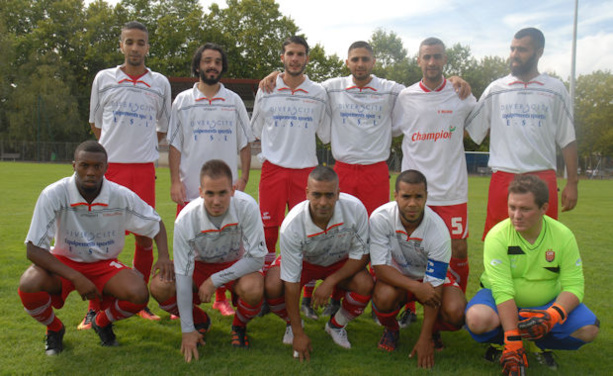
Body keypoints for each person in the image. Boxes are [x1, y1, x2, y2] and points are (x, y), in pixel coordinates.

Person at [259, 40, 471, 320]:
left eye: (365, 59)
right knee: (334, 233)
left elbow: (423, 87)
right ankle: (326, 296)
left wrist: (453, 79)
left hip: (375, 170)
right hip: (343, 169)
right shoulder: (331, 87)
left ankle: (402, 304)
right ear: (347, 62)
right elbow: (299, 78)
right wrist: (276, 74)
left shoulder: (392, 90)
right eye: (355, 59)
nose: (360, 64)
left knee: (381, 237)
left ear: (373, 62)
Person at [17, 141, 173, 355]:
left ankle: (102, 321)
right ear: (74, 165)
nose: (90, 172)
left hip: (104, 264)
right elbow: (33, 250)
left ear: (106, 168)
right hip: (65, 261)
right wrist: (76, 277)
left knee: (139, 294)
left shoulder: (120, 195)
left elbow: (155, 224)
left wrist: (164, 256)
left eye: (97, 166)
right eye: (84, 165)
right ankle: (54, 329)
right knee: (29, 283)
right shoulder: (54, 193)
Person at [465, 175, 598, 374]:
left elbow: (574, 285)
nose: (516, 215)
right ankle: (505, 343)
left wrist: (553, 315)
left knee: (589, 329)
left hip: (546, 303)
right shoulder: (497, 235)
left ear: (544, 208)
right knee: (477, 318)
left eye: (525, 209)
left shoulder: (563, 236)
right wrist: (511, 338)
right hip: (499, 299)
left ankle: (538, 342)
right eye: (512, 207)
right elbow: (502, 290)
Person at [87, 20, 172, 324]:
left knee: (144, 237)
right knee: (101, 238)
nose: (135, 48)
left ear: (148, 47)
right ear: (120, 45)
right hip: (109, 171)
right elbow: (97, 125)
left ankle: (140, 302)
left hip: (143, 170)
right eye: (129, 42)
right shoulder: (104, 79)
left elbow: (162, 128)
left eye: (141, 42)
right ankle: (95, 306)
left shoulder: (160, 83)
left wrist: (142, 149)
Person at [465, 27, 578, 239]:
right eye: (512, 49)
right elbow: (471, 129)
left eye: (522, 50)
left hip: (542, 176)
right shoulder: (496, 88)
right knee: (499, 241)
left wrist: (572, 183)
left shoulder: (555, 89)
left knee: (544, 244)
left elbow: (568, 139)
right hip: (504, 177)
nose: (515, 55)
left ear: (539, 52)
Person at [167, 42, 254, 317]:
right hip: (192, 190)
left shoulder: (234, 101)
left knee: (227, 245)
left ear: (222, 67)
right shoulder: (182, 100)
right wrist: (174, 181)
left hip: (224, 192)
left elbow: (245, 144)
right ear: (198, 65)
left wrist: (243, 177)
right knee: (192, 249)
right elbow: (174, 145)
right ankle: (187, 301)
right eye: (207, 61)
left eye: (217, 61)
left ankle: (220, 297)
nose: (212, 66)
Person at [150, 160, 266, 362]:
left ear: (233, 190)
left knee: (254, 288)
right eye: (210, 193)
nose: (216, 201)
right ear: (200, 192)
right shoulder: (186, 218)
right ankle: (199, 321)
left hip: (234, 264)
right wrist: (186, 330)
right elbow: (184, 275)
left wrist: (215, 280)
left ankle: (239, 326)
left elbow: (256, 258)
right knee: (160, 286)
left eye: (222, 193)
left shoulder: (247, 206)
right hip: (198, 268)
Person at [392, 37, 476, 294]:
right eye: (426, 57)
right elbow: (387, 127)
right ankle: (407, 305)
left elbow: (474, 127)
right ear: (419, 60)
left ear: (445, 60)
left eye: (437, 56)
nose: (432, 62)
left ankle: (456, 299)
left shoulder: (461, 94)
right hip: (415, 191)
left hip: (452, 190)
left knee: (458, 248)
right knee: (410, 250)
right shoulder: (405, 97)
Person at [264, 166, 373, 361]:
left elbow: (362, 255)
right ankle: (292, 324)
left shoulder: (355, 209)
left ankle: (336, 325)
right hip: (305, 262)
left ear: (338, 194)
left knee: (365, 284)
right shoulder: (292, 224)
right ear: (307, 193)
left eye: (329, 195)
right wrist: (298, 333)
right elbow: (291, 281)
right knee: (273, 285)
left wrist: (331, 281)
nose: (323, 202)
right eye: (317, 195)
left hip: (339, 262)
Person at [369, 170, 466, 369]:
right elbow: (379, 268)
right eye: (406, 196)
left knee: (456, 312)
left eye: (418, 197)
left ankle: (433, 330)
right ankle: (391, 329)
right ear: (395, 195)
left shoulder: (438, 229)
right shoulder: (380, 218)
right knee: (383, 296)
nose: (412, 203)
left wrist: (425, 338)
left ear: (426, 197)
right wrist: (415, 286)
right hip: (398, 277)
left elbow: (434, 286)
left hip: (429, 278)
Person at [250, 35, 330, 277]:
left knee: (306, 231)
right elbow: (254, 130)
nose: (295, 59)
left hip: (306, 172)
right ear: (282, 57)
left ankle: (303, 291)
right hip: (273, 169)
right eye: (290, 54)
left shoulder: (318, 92)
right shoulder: (267, 89)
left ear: (307, 58)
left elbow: (326, 134)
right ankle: (266, 285)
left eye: (300, 54)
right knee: (268, 231)